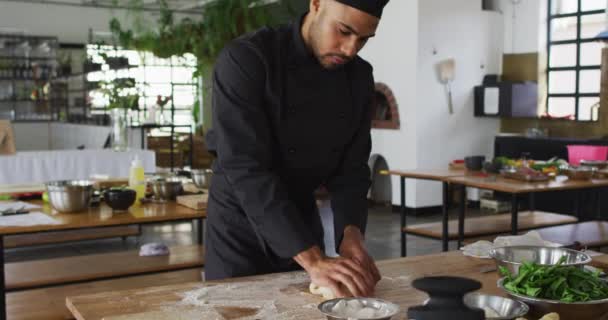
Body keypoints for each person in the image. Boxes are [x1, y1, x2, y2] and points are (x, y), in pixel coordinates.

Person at [205, 0, 389, 298]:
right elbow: (245, 169)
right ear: (316, 3)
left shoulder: (358, 78)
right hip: (238, 229)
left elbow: (352, 170)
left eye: (364, 39)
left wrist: (351, 235)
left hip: (302, 219)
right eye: (343, 31)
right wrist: (313, 260)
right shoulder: (247, 59)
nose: (350, 49)